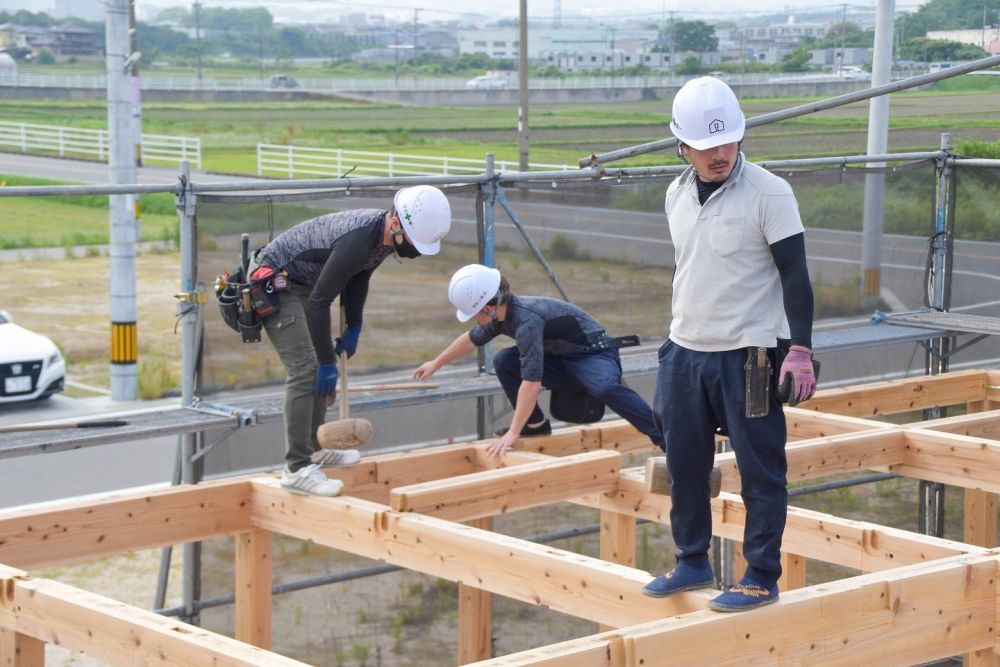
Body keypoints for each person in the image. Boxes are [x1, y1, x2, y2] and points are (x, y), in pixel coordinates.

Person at [641, 77, 816, 612]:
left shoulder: (769, 193)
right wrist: (674, 350)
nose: (719, 153)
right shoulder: (675, 193)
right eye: (705, 144)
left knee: (760, 468)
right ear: (682, 144)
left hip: (751, 356)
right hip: (685, 350)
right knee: (684, 462)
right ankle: (693, 559)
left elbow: (795, 275)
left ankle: (760, 574)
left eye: (728, 141)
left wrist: (800, 349)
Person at [249, 185, 451, 496]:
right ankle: (296, 467)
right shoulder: (358, 240)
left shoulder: (382, 238)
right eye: (414, 241)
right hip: (278, 283)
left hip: (305, 284)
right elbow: (319, 302)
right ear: (397, 224)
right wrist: (328, 363)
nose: (414, 250)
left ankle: (315, 451)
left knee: (317, 364)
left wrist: (355, 324)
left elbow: (359, 277)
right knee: (307, 370)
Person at [413, 264, 664, 457]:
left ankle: (665, 437)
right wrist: (436, 363)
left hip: (593, 355)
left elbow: (531, 383)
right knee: (504, 360)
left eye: (472, 313)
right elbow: (471, 339)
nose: (472, 319)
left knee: (605, 387)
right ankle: (535, 425)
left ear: (487, 307)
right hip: (563, 360)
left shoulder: (526, 320)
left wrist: (512, 432)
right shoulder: (501, 317)